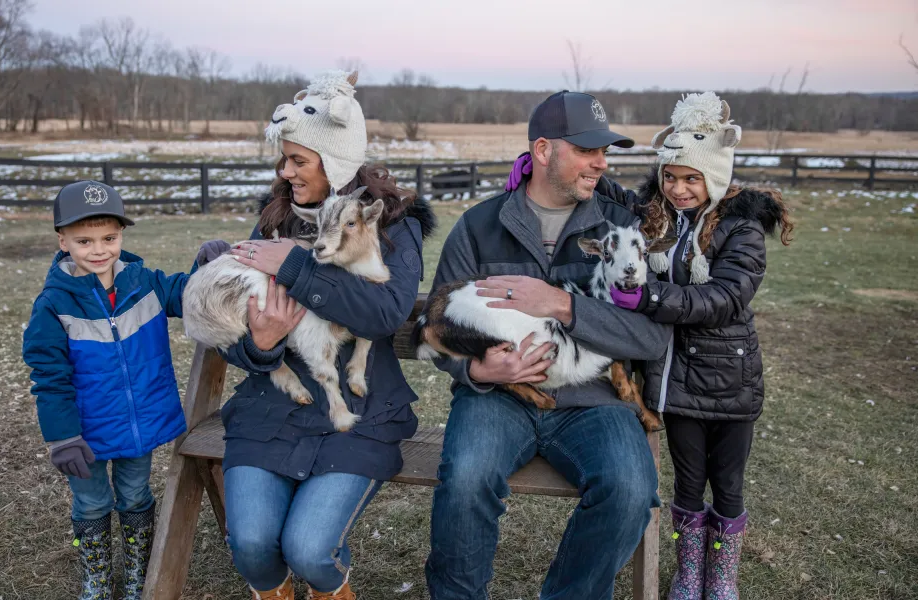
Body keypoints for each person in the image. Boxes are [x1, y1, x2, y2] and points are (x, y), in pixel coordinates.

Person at [507, 92, 795, 600]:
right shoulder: (657, 219)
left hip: (728, 379)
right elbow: (613, 194)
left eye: (691, 178)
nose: (679, 189)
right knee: (686, 479)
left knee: (726, 480)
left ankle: (721, 573)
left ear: (715, 177)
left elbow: (725, 298)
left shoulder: (739, 229)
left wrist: (649, 294)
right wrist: (541, 168)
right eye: (670, 176)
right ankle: (688, 569)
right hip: (674, 379)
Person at [423, 90, 671, 600]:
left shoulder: (622, 231)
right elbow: (439, 324)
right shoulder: (479, 226)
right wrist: (478, 373)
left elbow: (651, 336)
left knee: (629, 490)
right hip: (497, 397)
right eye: (586, 149)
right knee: (467, 478)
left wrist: (563, 305)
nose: (601, 162)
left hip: (593, 402)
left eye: (605, 151)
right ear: (542, 150)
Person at [217, 70, 435, 600]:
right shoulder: (274, 220)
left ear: (335, 163)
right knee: (250, 546)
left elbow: (384, 312)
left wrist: (293, 267)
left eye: (299, 160)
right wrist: (259, 347)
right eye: (284, 159)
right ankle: (273, 590)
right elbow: (233, 316)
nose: (285, 171)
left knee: (310, 548)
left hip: (357, 414)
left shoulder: (392, 226)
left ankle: (328, 586)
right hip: (272, 408)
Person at [22, 180, 229, 600]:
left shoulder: (143, 283)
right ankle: (96, 577)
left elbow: (186, 294)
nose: (99, 250)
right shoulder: (54, 304)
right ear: (62, 240)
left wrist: (208, 269)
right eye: (84, 240)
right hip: (86, 433)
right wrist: (62, 437)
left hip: (140, 426)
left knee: (135, 494)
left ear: (122, 236)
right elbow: (49, 376)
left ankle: (138, 574)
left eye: (110, 238)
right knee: (92, 503)